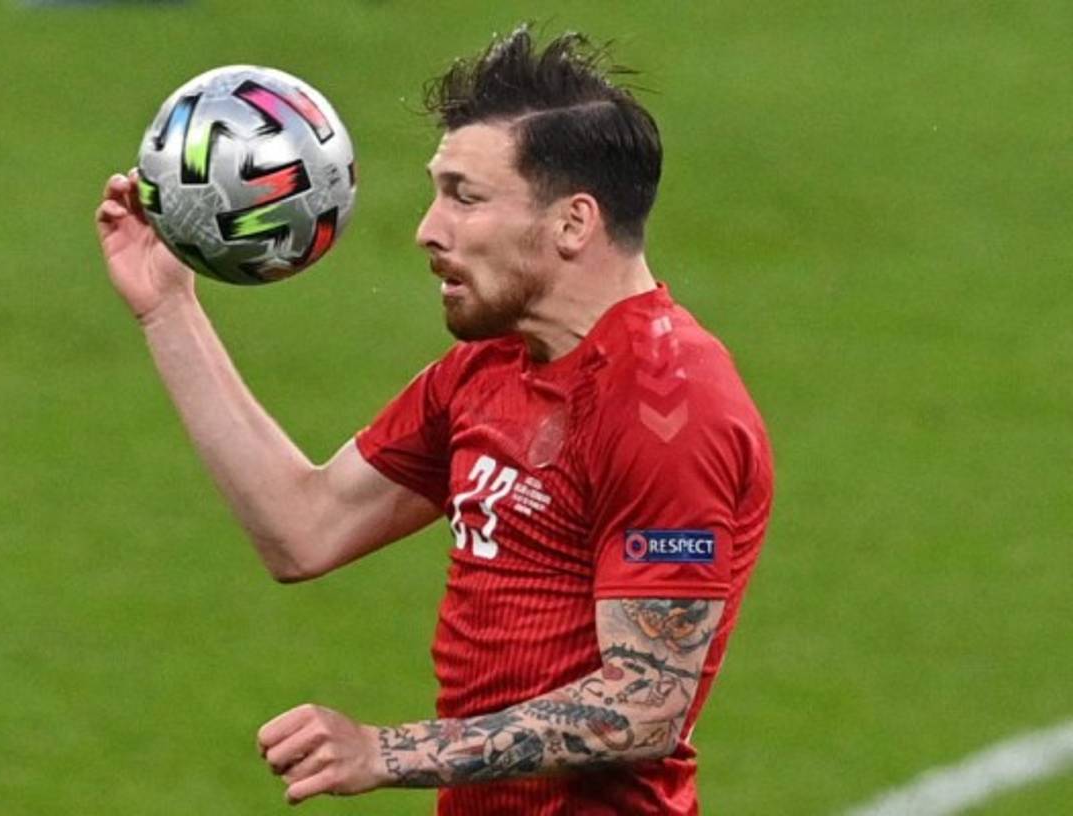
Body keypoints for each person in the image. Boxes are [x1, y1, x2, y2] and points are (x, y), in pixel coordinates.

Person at [95, 25, 773, 816]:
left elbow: (644, 705)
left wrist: (386, 752)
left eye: (465, 197)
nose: (428, 229)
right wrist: (167, 308)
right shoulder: (489, 368)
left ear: (573, 222)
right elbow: (303, 529)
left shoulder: (670, 406)